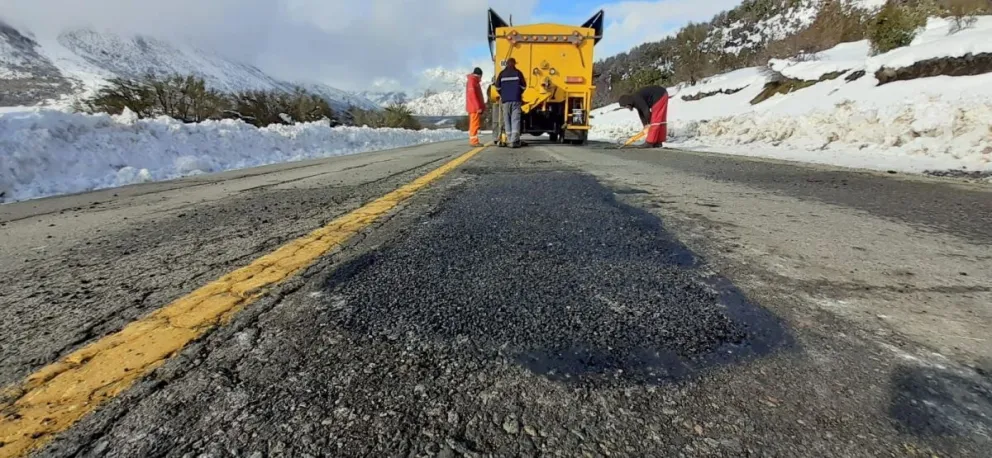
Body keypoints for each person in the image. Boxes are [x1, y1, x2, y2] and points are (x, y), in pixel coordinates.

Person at [494, 57, 527, 148]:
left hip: (505, 101)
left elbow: (497, 87)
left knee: (507, 119)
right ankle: (514, 140)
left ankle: (509, 139)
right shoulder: (518, 73)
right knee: (515, 119)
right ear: (514, 64)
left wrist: (503, 94)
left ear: (507, 64)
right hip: (516, 100)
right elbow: (524, 86)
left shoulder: (502, 74)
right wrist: (518, 93)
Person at [465, 67, 486, 147]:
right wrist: (478, 107)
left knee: (475, 124)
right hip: (474, 108)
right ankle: (474, 141)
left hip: (474, 107)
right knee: (474, 124)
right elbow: (472, 96)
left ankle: (474, 140)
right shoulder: (472, 81)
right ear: (479, 75)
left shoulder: (473, 81)